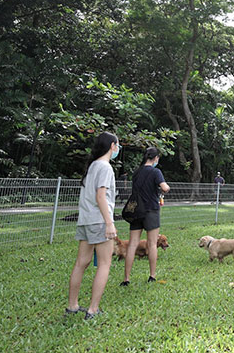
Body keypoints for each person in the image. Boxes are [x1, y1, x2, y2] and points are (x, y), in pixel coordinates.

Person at [67, 132, 119, 320]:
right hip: (99, 220)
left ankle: (72, 306)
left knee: (81, 263)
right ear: (112, 146)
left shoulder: (92, 166)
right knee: (104, 263)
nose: (117, 149)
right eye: (117, 145)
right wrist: (109, 223)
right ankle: (93, 310)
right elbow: (101, 196)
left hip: (86, 219)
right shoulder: (105, 167)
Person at [121, 147, 170, 286]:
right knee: (152, 243)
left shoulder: (137, 172)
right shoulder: (156, 172)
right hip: (151, 211)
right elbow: (165, 187)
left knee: (132, 244)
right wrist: (165, 188)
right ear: (155, 158)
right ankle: (152, 276)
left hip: (136, 211)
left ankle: (126, 279)